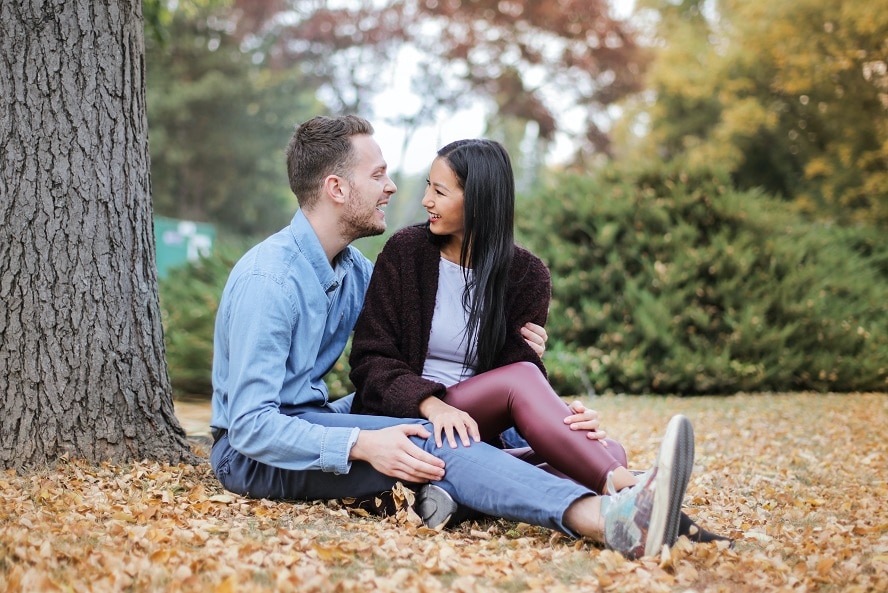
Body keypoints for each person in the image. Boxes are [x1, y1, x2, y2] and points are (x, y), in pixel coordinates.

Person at [209, 114, 696, 560]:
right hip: (251, 454)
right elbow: (251, 425)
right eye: (377, 175)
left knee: (450, 435)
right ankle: (604, 517)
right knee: (431, 437)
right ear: (336, 187)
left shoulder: (353, 271)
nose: (394, 188)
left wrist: (539, 388)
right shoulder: (269, 281)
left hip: (315, 418)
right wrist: (360, 444)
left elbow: (411, 338)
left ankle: (608, 484)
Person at [349, 138, 728, 544]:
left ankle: (453, 496)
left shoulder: (526, 275)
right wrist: (433, 404)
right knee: (587, 448)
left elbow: (514, 373)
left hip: (474, 430)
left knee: (606, 448)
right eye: (429, 186)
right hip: (406, 416)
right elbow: (371, 359)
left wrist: (563, 416)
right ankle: (632, 492)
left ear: (479, 199)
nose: (426, 200)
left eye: (439, 191)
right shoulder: (407, 252)